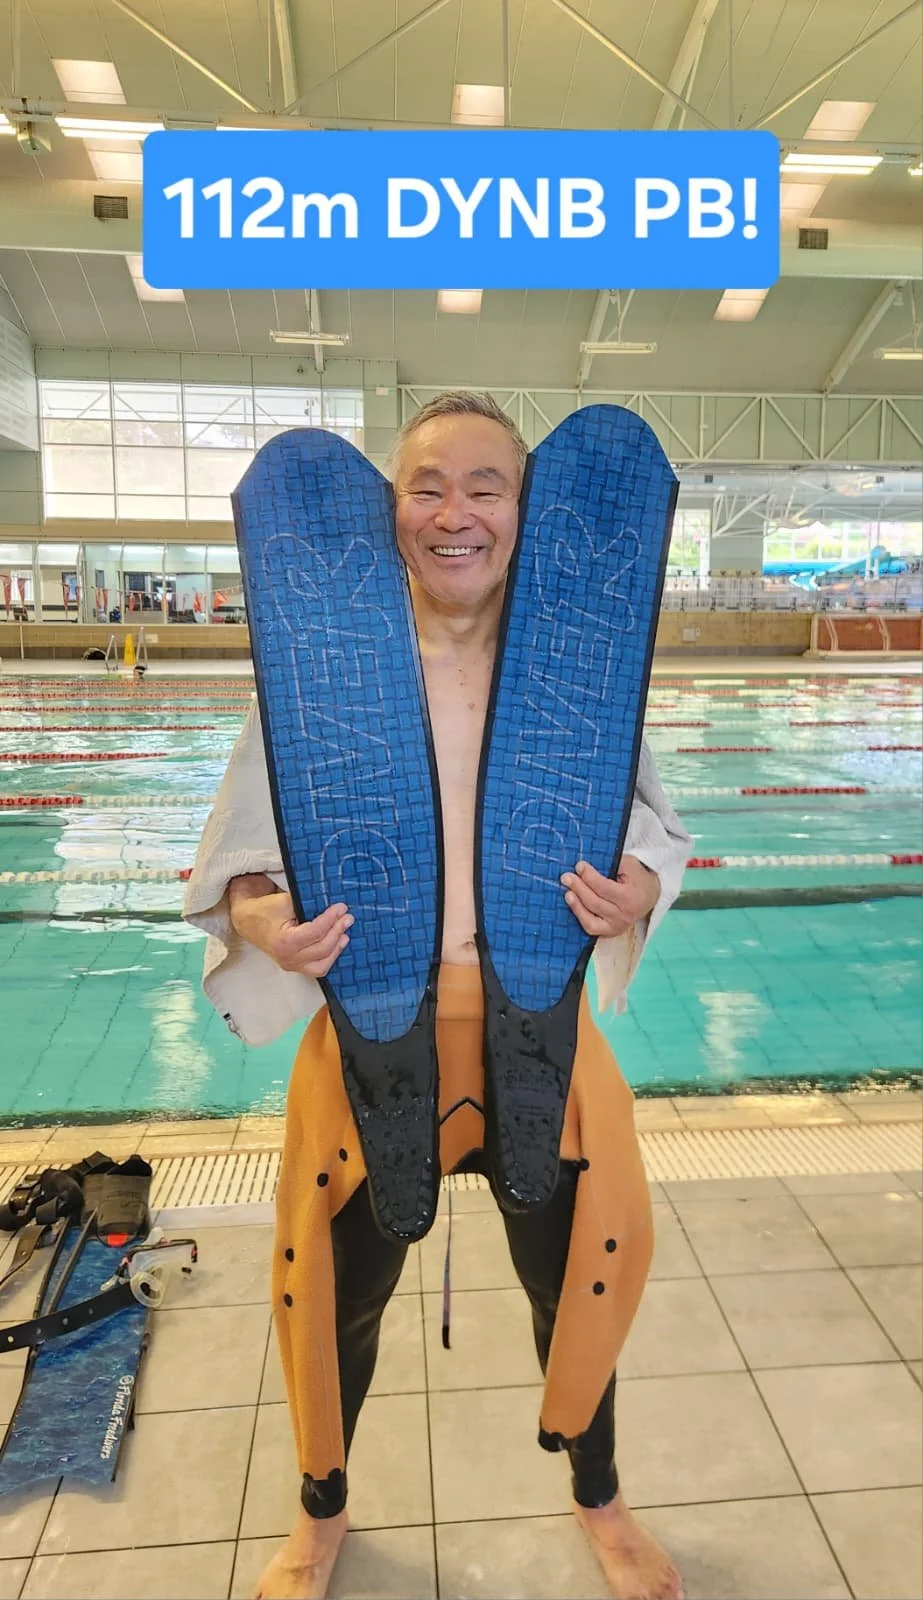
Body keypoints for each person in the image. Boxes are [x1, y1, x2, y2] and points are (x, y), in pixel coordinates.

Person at [184, 392, 692, 1600]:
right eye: (425, 486)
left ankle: (599, 1498)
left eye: (483, 486)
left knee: (578, 1270)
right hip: (373, 1030)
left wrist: (638, 888)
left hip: (534, 1025)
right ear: (389, 509)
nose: (453, 513)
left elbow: (656, 837)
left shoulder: (576, 666)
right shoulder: (321, 669)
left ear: (526, 507)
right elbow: (237, 860)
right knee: (330, 1292)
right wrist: (260, 917)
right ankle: (321, 1511)